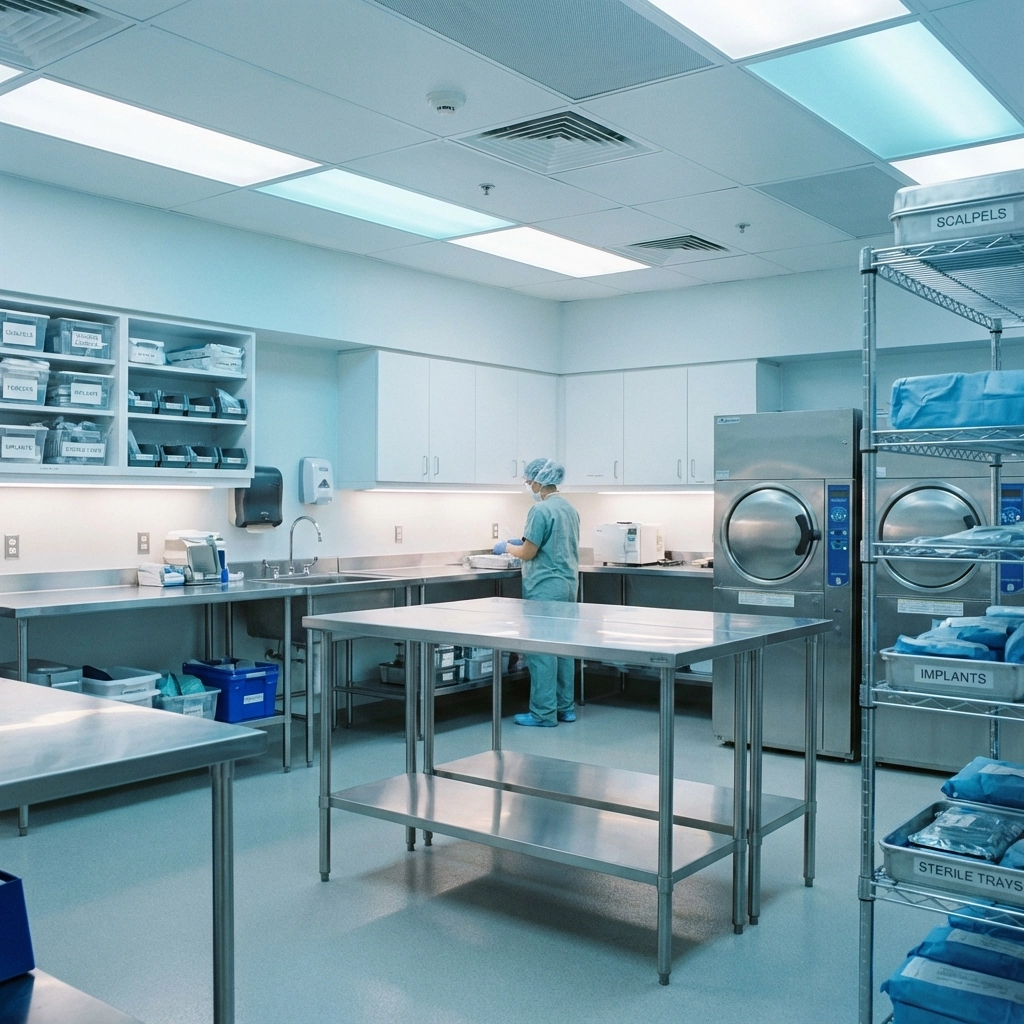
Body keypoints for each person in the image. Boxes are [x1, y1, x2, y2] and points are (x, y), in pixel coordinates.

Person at [492, 457, 580, 727]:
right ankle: (565, 707)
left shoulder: (540, 510)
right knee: (563, 647)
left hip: (545, 587)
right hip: (567, 585)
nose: (529, 485)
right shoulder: (569, 508)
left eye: (529, 481)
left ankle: (543, 713)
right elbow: (551, 542)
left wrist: (507, 547)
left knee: (541, 650)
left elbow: (529, 552)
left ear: (539, 481)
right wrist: (523, 541)